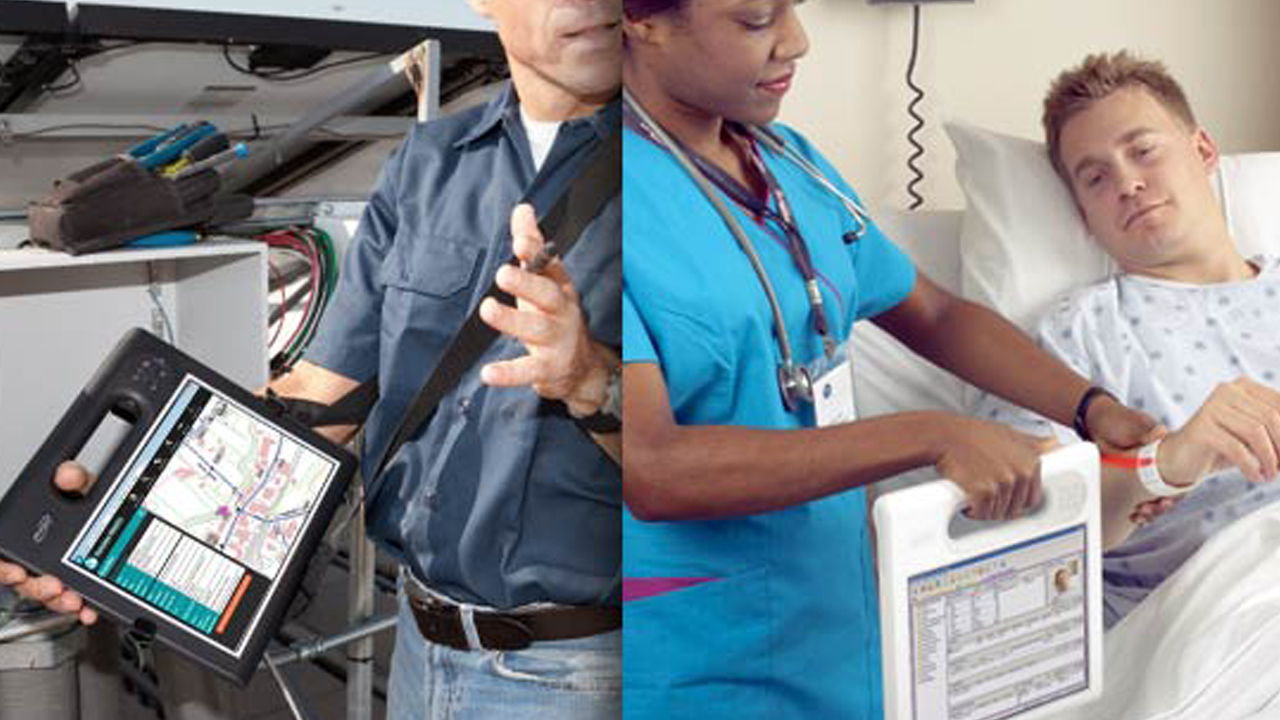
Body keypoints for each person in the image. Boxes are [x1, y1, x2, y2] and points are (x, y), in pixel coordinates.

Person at [0, 1, 624, 718]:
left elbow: (730, 467)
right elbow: (320, 403)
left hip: (583, 671)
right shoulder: (426, 162)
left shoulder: (692, 178)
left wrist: (592, 383)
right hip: (424, 651)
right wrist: (109, 529)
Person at [620, 2, 1159, 717]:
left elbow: (934, 314)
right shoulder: (602, 201)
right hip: (699, 653)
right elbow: (653, 468)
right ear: (640, 21)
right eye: (755, 21)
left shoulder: (791, 167)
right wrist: (931, 434)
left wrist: (1093, 407)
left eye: (794, 9)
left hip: (839, 628)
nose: (796, 41)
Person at [978, 50, 1280, 627]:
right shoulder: (1071, 336)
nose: (1129, 183)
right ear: (1083, 215)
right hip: (1219, 617)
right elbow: (1017, 536)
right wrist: (1164, 464)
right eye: (1095, 177)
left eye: (1143, 151)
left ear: (1204, 150)